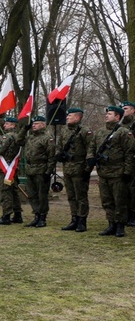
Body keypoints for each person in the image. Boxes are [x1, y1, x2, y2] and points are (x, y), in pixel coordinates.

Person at [86, 105, 135, 237]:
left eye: (110, 114)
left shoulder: (123, 132)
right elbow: (92, 147)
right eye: (106, 114)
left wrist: (127, 171)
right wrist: (90, 158)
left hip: (118, 172)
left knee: (119, 200)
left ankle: (120, 226)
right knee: (107, 200)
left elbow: (130, 153)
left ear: (117, 117)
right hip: (103, 172)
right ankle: (111, 224)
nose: (106, 115)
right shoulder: (100, 132)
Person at [56, 107, 93, 232]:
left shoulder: (85, 131)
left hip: (79, 167)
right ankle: (74, 219)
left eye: (69, 116)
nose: (67, 118)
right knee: (71, 195)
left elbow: (91, 149)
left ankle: (82, 221)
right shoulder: (64, 131)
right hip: (67, 167)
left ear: (77, 117)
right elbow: (59, 145)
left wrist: (87, 169)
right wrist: (58, 154)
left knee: (81, 196)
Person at [18, 116, 56, 227]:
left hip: (41, 170)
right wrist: (24, 129)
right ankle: (36, 215)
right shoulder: (30, 137)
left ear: (43, 125)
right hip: (30, 170)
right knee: (32, 195)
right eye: (33, 123)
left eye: (37, 123)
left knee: (41, 195)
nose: (34, 125)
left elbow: (52, 156)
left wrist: (48, 172)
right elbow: (18, 141)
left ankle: (42, 217)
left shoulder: (47, 138)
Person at [122, 101, 135, 226]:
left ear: (132, 110)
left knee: (133, 189)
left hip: (133, 160)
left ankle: (133, 214)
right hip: (121, 162)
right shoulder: (119, 126)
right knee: (123, 190)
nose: (123, 110)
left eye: (125, 108)